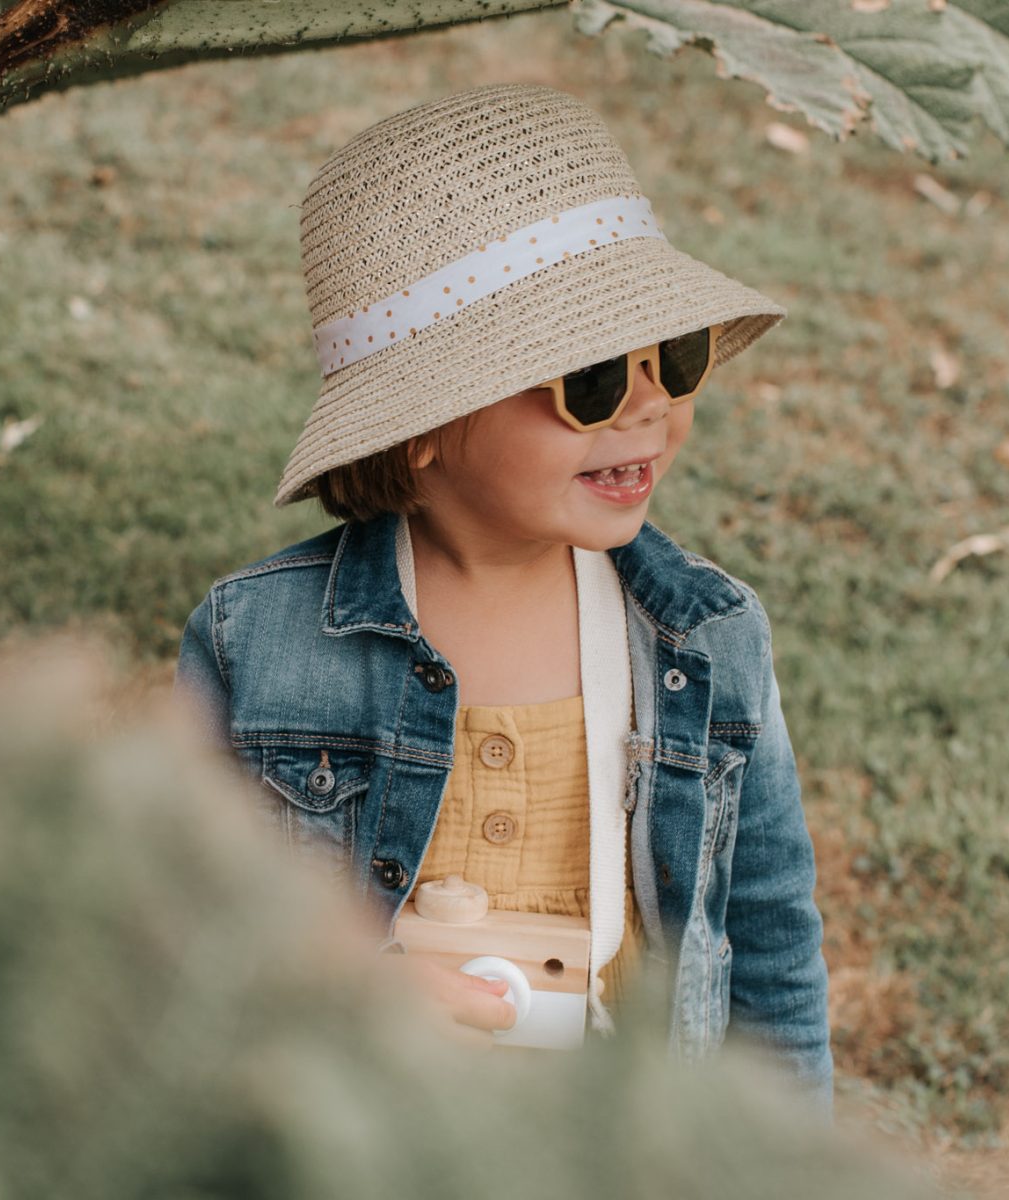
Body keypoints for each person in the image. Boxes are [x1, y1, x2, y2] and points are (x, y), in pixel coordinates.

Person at [173, 82, 833, 1120]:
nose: (652, 404)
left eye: (677, 355)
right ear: (424, 422)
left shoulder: (704, 639)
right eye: (595, 377)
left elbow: (770, 942)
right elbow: (172, 926)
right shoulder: (254, 642)